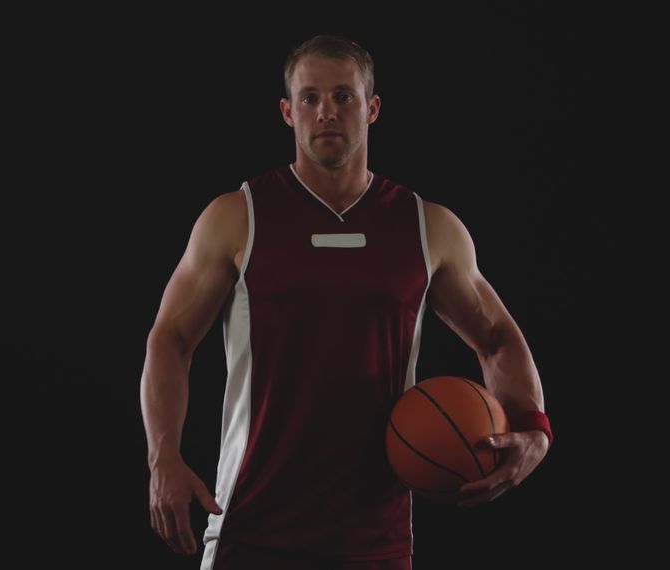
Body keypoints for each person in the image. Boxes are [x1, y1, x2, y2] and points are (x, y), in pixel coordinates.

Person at [140, 34, 552, 570]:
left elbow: (497, 337)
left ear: (372, 107)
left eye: (343, 96)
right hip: (250, 527)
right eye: (309, 98)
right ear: (287, 113)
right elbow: (169, 339)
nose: (326, 111)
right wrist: (162, 456)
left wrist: (532, 429)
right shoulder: (238, 217)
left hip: (375, 539)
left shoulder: (427, 227)